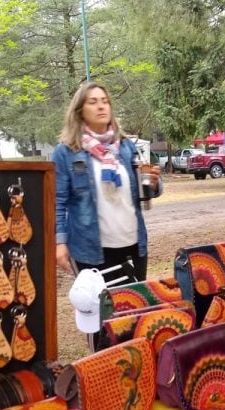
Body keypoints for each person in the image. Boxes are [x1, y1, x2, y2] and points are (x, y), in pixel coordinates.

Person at [53, 81, 162, 284]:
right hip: (91, 250)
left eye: (105, 101)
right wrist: (60, 243)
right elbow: (57, 203)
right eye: (93, 102)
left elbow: (144, 190)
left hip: (133, 245)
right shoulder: (66, 152)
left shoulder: (126, 147)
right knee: (102, 313)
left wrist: (154, 184)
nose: (101, 106)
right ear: (79, 111)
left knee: (135, 309)